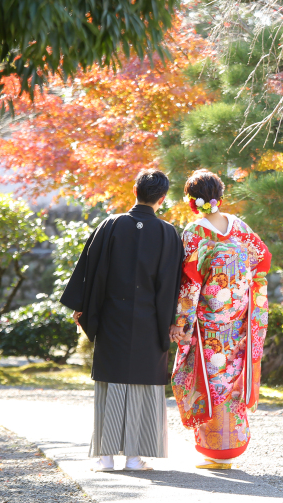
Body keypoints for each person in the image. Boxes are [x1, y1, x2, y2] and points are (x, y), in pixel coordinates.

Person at [60, 169, 184, 472]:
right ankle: (134, 457)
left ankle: (104, 457)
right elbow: (172, 284)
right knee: (143, 385)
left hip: (113, 315)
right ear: (163, 198)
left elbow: (88, 268)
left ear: (135, 190)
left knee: (111, 383)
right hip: (151, 319)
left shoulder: (111, 225)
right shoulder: (168, 233)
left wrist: (83, 309)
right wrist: (171, 321)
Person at [171, 169, 271, 470]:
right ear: (220, 197)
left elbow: (191, 283)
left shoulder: (194, 232)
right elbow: (262, 259)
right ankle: (233, 445)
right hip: (239, 323)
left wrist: (182, 323)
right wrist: (242, 293)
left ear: (192, 201)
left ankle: (215, 451)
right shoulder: (240, 227)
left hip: (206, 325)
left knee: (208, 380)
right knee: (232, 382)